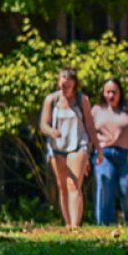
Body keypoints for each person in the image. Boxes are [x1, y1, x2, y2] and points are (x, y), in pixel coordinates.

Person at [39, 67, 101, 229]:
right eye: (62, 84)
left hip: (78, 144)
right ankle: (68, 224)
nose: (64, 88)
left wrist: (98, 149)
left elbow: (90, 126)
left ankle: (75, 225)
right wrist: (51, 131)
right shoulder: (51, 100)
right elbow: (43, 125)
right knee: (62, 185)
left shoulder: (82, 100)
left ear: (74, 84)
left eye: (68, 85)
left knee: (73, 183)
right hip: (57, 146)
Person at [91, 77, 128, 225]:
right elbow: (90, 134)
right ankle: (104, 222)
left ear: (120, 93)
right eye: (107, 92)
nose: (110, 96)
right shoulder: (96, 110)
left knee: (127, 188)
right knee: (104, 182)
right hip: (103, 154)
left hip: (126, 154)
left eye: (114, 92)